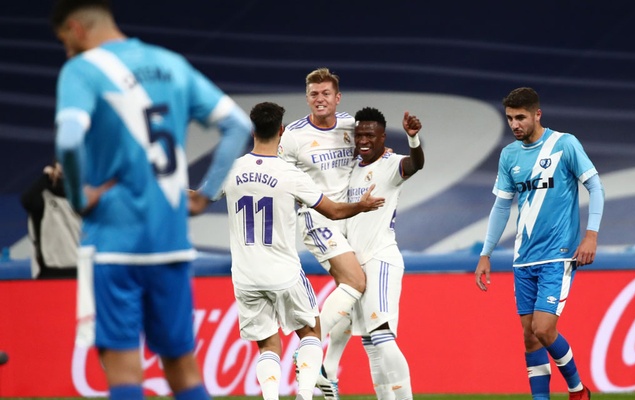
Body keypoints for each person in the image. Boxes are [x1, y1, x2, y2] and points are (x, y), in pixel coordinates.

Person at [50, 1, 252, 399]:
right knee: (183, 368)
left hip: (113, 243)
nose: (66, 51)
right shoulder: (171, 63)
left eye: (63, 41)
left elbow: (69, 140)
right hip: (170, 244)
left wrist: (77, 196)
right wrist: (205, 194)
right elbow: (237, 125)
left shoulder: (81, 69)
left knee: (123, 368)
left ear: (75, 28)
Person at [219, 102, 384, 400]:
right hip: (283, 272)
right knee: (310, 332)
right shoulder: (289, 173)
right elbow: (333, 211)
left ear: (252, 131)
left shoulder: (230, 169)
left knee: (267, 345)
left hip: (245, 277)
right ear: (281, 131)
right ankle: (305, 395)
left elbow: (196, 198)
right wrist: (362, 205)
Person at [474, 87, 604, 400]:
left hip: (558, 254)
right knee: (530, 338)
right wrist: (485, 253)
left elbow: (595, 187)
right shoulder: (509, 155)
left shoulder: (564, 144)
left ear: (537, 115)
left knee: (543, 329)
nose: (514, 124)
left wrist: (591, 235)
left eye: (520, 117)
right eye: (510, 118)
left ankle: (577, 389)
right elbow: (501, 207)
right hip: (524, 258)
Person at [278, 67, 365, 397]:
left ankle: (327, 370)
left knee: (352, 298)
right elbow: (279, 178)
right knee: (355, 282)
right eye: (314, 94)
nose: (320, 99)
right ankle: (307, 351)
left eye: (326, 93)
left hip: (351, 219)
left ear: (337, 97)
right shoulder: (293, 135)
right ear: (307, 98)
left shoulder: (350, 126)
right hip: (316, 218)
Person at [344, 107, 424, 400]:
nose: (363, 140)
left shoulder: (391, 164)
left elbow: (415, 164)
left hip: (380, 258)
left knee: (381, 336)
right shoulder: (352, 168)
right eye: (359, 135)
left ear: (382, 138)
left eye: (370, 135)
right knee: (370, 343)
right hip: (356, 267)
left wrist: (413, 139)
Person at [20, 161, 81, 279]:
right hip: (50, 272)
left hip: (80, 270)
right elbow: (27, 200)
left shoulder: (85, 198)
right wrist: (46, 177)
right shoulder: (42, 198)